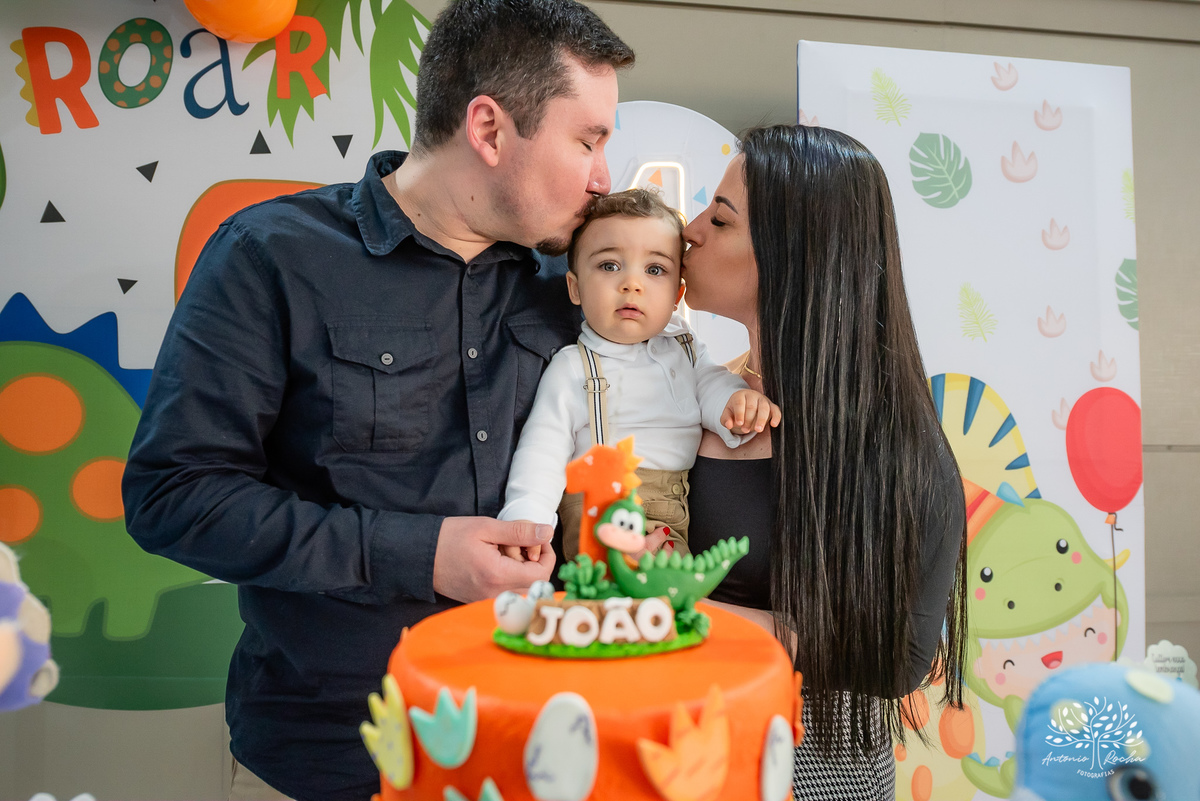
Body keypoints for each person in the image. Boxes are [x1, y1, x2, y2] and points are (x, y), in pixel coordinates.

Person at [120, 2, 634, 799]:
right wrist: (418, 553)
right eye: (588, 141)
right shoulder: (269, 255)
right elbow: (173, 495)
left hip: (542, 748)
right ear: (489, 130)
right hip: (331, 756)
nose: (604, 176)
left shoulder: (573, 285)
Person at [680, 125, 969, 800]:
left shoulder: (902, 450)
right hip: (680, 756)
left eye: (720, 219)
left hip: (819, 775)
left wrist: (683, 612)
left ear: (796, 255)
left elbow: (900, 658)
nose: (690, 231)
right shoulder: (696, 394)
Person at [497, 188, 780, 560]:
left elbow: (710, 383)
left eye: (655, 270)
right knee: (609, 583)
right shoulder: (574, 365)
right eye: (609, 266)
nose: (632, 284)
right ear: (575, 288)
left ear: (676, 295)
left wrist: (734, 402)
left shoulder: (684, 346)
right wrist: (527, 519)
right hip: (602, 504)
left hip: (672, 507)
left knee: (673, 587)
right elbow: (543, 449)